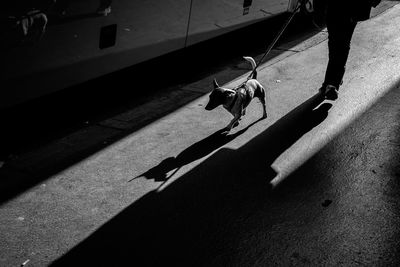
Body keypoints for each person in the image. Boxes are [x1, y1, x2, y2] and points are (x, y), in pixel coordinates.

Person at [319, 0, 382, 100]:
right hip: (343, 9)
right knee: (339, 45)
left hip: (346, 10)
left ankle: (331, 83)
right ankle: (331, 82)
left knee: (339, 45)